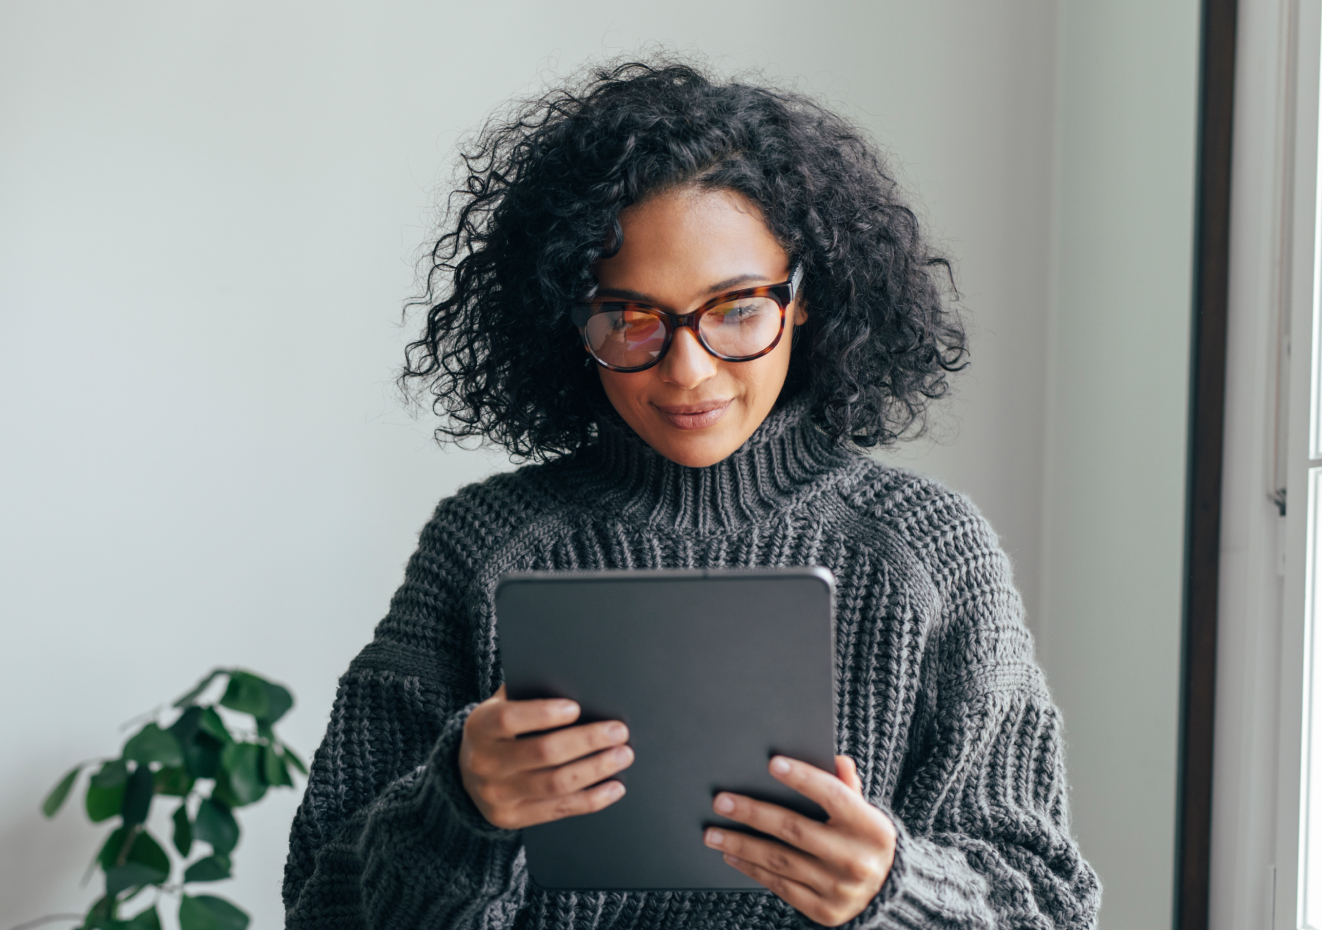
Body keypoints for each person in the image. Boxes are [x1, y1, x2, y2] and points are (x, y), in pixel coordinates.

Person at [282, 59, 1101, 930]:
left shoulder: (928, 552)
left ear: (805, 297)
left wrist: (894, 890)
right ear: (570, 317)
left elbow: (1048, 904)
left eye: (736, 309)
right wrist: (458, 808)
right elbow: (319, 904)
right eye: (631, 319)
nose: (687, 370)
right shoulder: (484, 547)